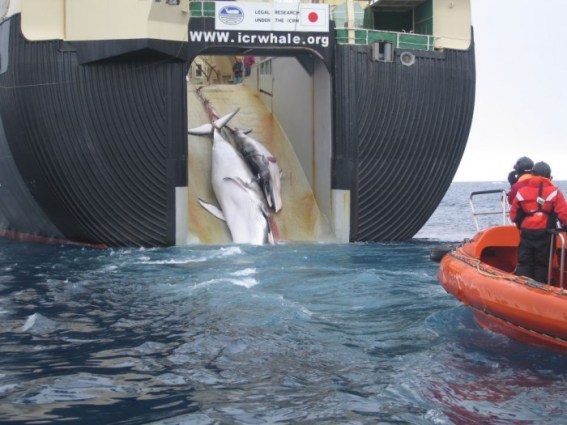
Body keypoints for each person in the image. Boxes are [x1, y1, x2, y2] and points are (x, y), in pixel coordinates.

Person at [509, 161, 567, 283]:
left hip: (526, 233)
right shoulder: (555, 192)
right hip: (546, 234)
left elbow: (513, 215)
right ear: (549, 176)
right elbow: (564, 214)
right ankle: (539, 289)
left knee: (525, 261)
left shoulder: (522, 192)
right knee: (542, 264)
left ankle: (522, 290)